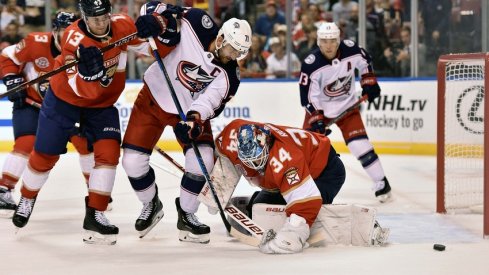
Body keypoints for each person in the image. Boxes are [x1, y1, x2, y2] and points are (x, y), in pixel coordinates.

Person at [11, 0, 151, 245]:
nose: (101, 23)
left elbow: (148, 48)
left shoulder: (122, 25)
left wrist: (160, 32)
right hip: (64, 103)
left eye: (104, 17)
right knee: (44, 156)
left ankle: (95, 214)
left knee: (108, 154)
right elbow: (80, 89)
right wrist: (90, 74)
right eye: (94, 19)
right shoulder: (73, 39)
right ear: (84, 18)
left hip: (102, 106)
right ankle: (27, 197)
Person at [121, 1, 252, 243]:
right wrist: (158, 21)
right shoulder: (198, 22)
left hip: (187, 112)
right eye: (232, 49)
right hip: (153, 98)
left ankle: (187, 214)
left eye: (239, 52)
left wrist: (194, 120)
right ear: (221, 38)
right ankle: (151, 204)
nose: (234, 56)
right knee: (131, 162)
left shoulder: (230, 76)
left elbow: (210, 101)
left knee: (202, 159)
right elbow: (154, 7)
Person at [0, 12, 96, 218]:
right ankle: (3, 190)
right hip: (32, 104)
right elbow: (7, 56)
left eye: (74, 31)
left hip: (66, 108)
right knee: (27, 142)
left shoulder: (87, 49)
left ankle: (95, 192)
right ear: (54, 32)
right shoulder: (35, 42)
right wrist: (11, 78)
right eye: (64, 32)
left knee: (85, 144)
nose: (69, 36)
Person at [214, 118, 346, 254]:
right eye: (248, 161)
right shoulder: (230, 136)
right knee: (261, 205)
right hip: (295, 165)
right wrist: (216, 185)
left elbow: (305, 201)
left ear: (267, 143)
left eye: (258, 158)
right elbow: (218, 155)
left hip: (325, 173)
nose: (254, 165)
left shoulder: (285, 157)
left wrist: (292, 235)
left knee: (288, 210)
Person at [299, 22, 392, 202]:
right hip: (320, 112)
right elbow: (308, 97)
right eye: (324, 41)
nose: (329, 45)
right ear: (318, 42)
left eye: (332, 40)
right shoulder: (311, 64)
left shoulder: (351, 50)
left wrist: (369, 83)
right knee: (307, 149)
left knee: (360, 146)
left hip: (348, 108)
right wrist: (317, 119)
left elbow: (366, 61)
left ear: (338, 40)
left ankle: (382, 183)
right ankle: (300, 186)